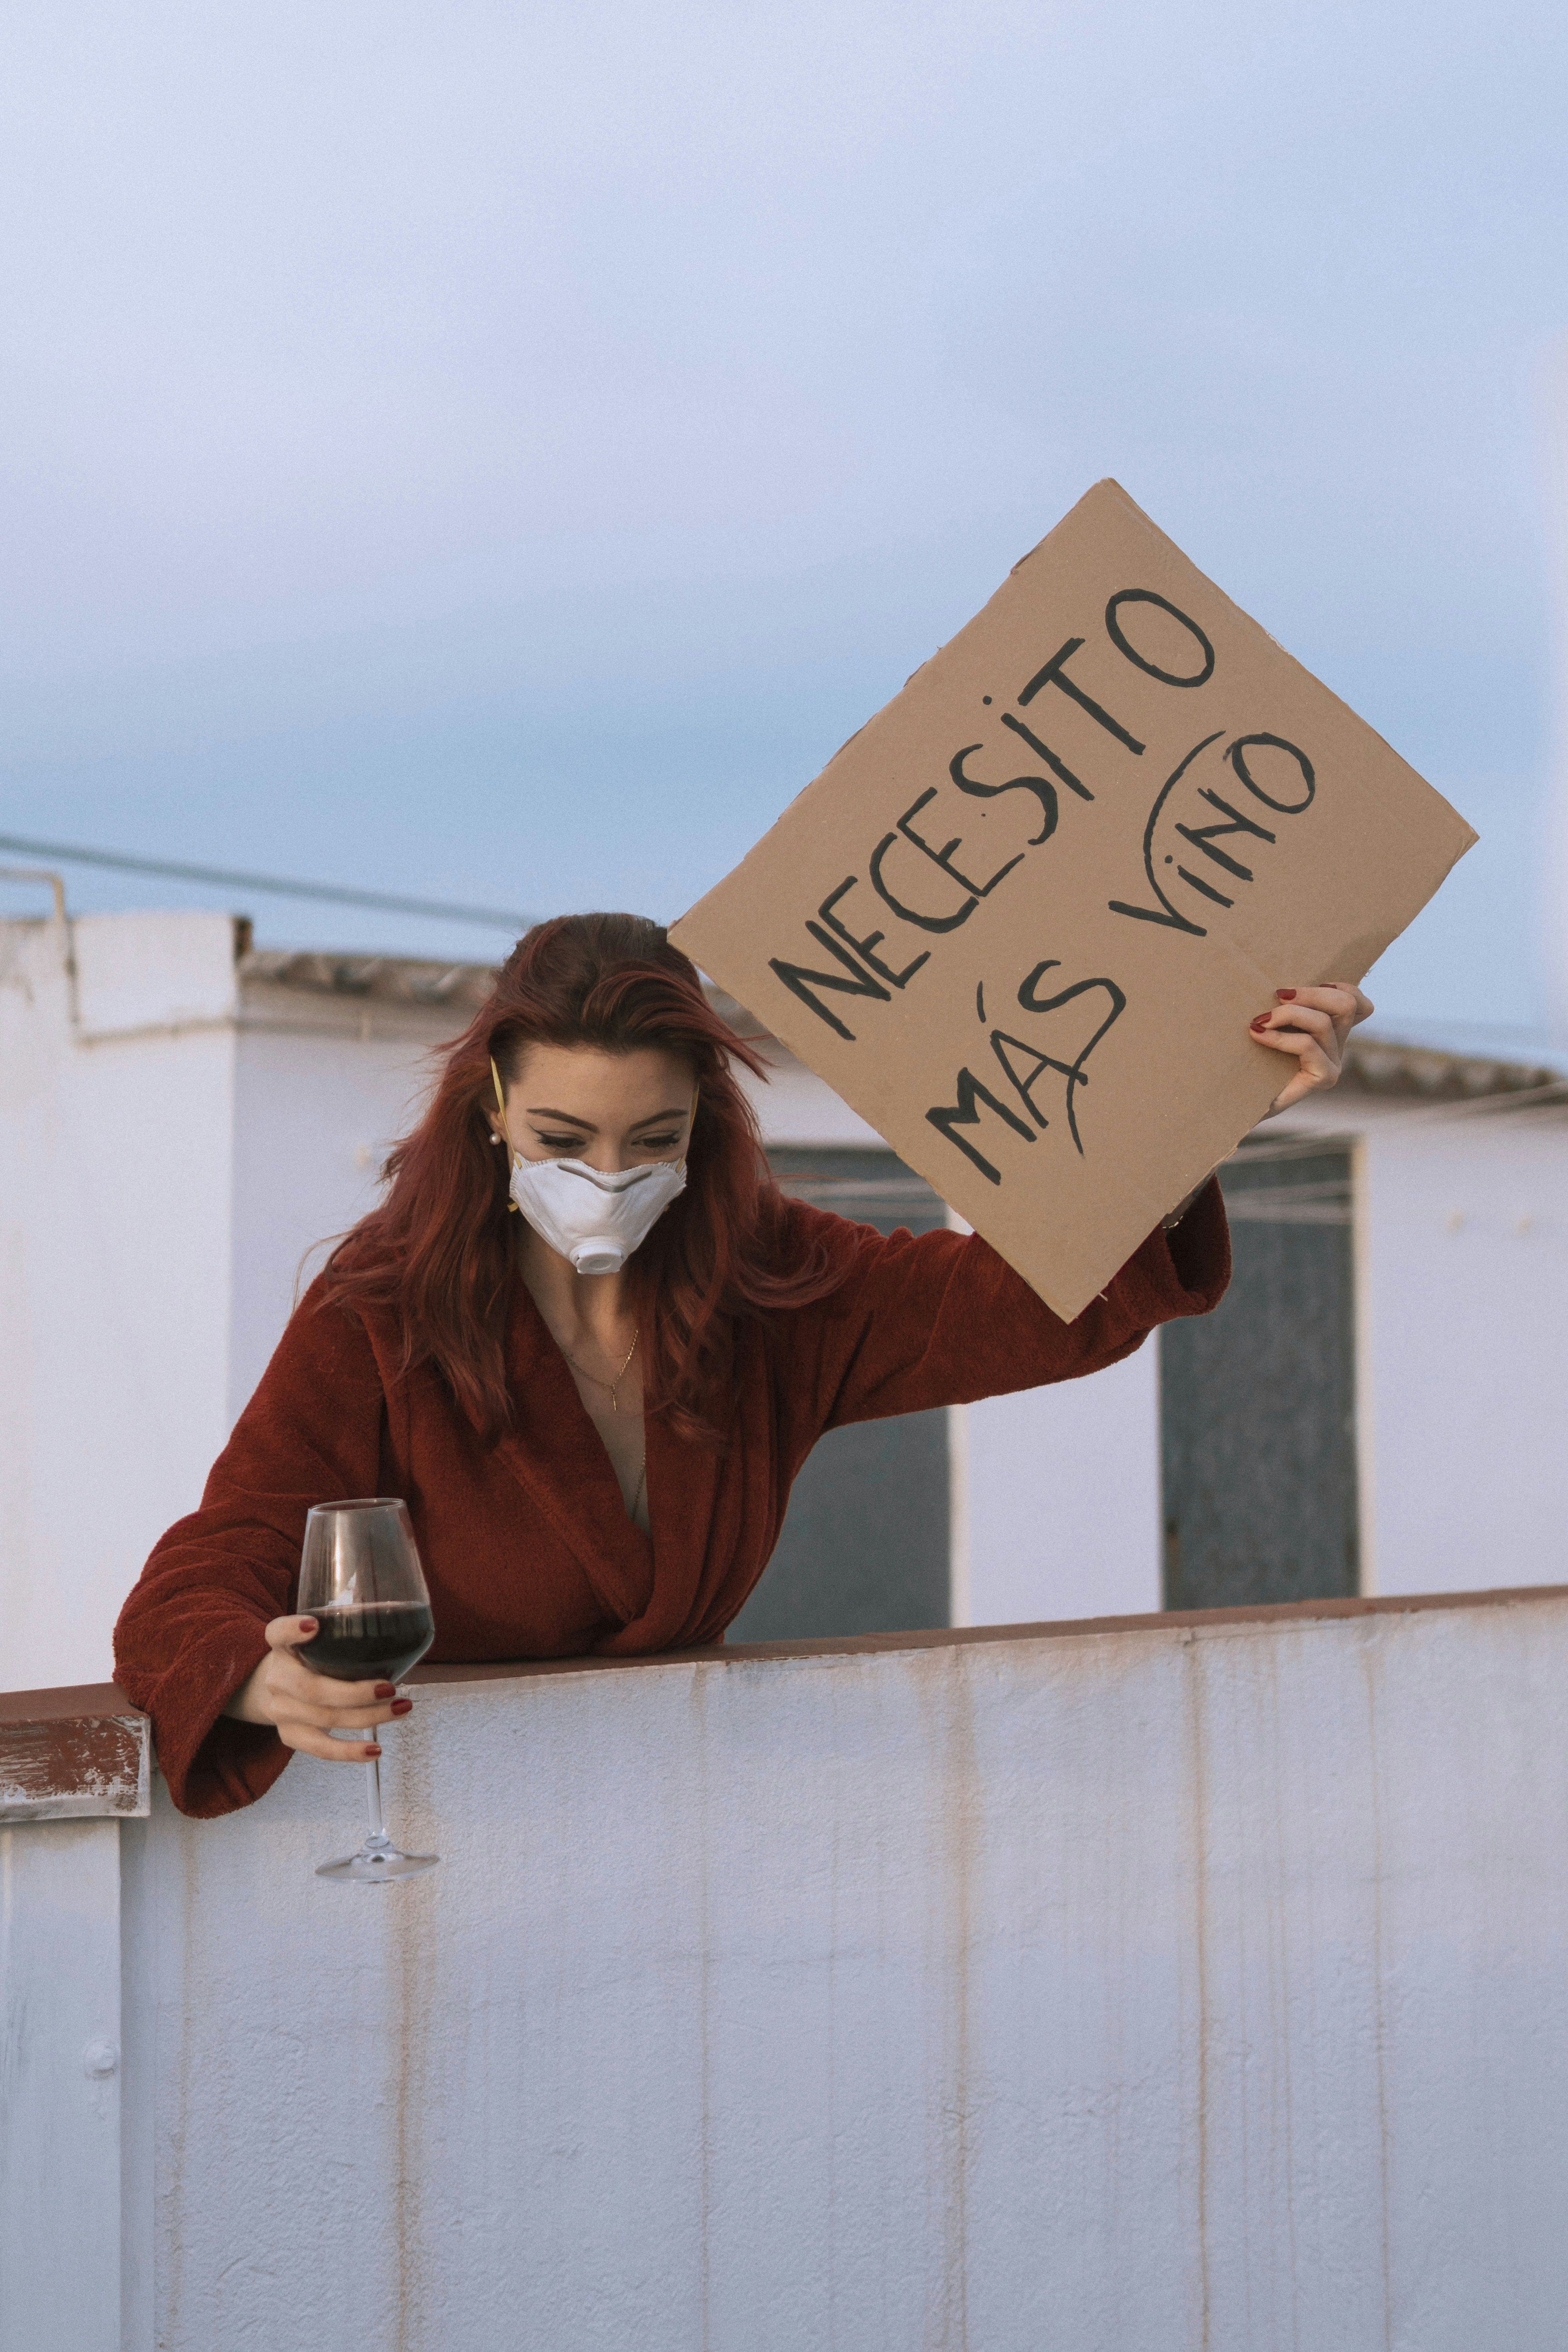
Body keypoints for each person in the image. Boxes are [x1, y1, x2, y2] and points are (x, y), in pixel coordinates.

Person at [113, 913, 1371, 1816]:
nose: (605, 1174)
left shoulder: (770, 1291)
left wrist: (1204, 1103)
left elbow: (1021, 1300)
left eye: (649, 1137)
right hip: (435, 1856)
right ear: (491, 1107)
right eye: (561, 1135)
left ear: (704, 1121)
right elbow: (217, 1552)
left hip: (692, 1834)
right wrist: (247, 1671)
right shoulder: (382, 1311)